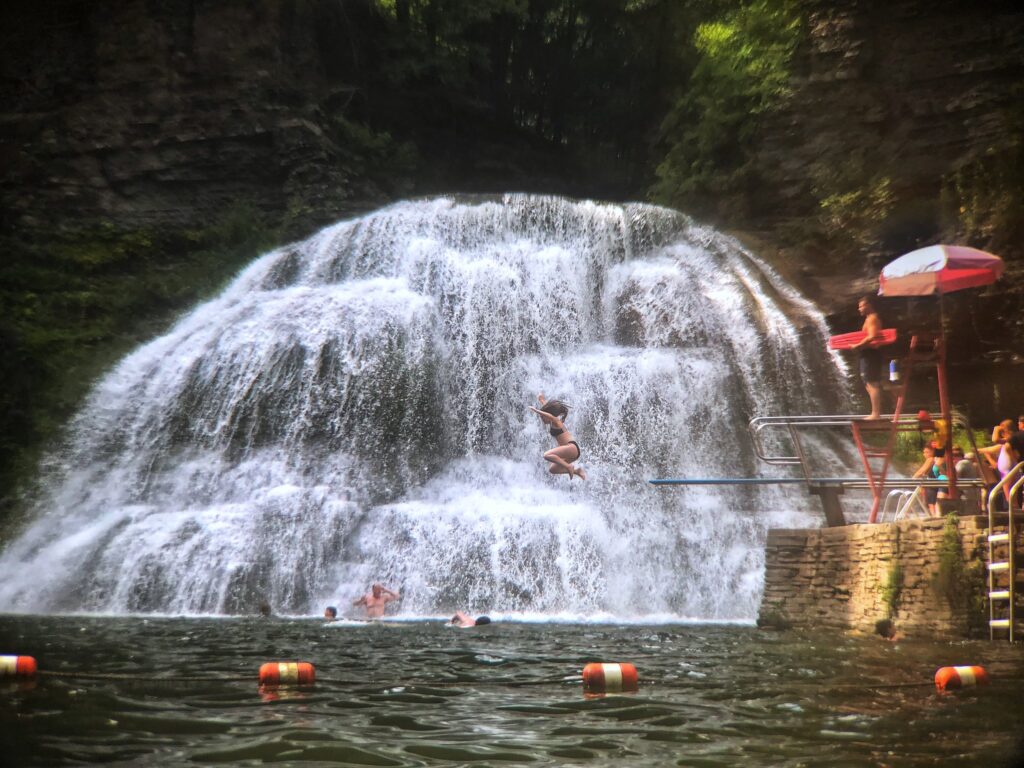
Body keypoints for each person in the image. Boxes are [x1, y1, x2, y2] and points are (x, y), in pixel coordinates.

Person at [528, 393, 586, 480]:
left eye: (543, 417)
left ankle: (569, 467)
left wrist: (536, 410)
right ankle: (577, 471)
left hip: (571, 447)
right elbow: (548, 410)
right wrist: (541, 400)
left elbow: (550, 415)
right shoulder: (552, 421)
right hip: (571, 452)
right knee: (553, 469)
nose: (542, 420)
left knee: (546, 455)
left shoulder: (556, 421)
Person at [850, 296, 886, 419]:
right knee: (868, 382)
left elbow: (872, 336)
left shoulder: (872, 318)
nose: (859, 309)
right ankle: (874, 412)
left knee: (872, 383)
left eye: (862, 306)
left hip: (871, 354)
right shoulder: (868, 319)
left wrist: (857, 345)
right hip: (868, 354)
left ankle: (875, 414)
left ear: (869, 305)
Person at [953, 448, 983, 513]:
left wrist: (940, 467)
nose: (953, 459)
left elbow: (955, 476)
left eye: (955, 455)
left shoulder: (962, 463)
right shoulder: (967, 463)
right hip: (970, 495)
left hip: (967, 495)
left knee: (967, 515)